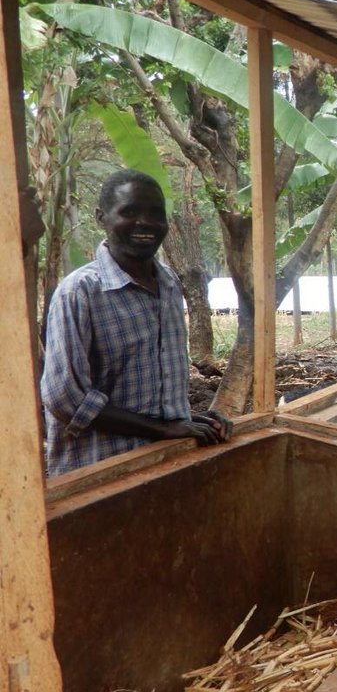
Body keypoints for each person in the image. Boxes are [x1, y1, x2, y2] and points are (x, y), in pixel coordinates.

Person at [40, 168, 231, 476]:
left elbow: (158, 383)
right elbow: (66, 399)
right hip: (100, 475)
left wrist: (185, 419)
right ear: (102, 217)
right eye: (129, 212)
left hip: (164, 466)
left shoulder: (168, 282)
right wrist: (161, 429)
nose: (144, 223)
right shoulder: (80, 292)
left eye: (156, 214)